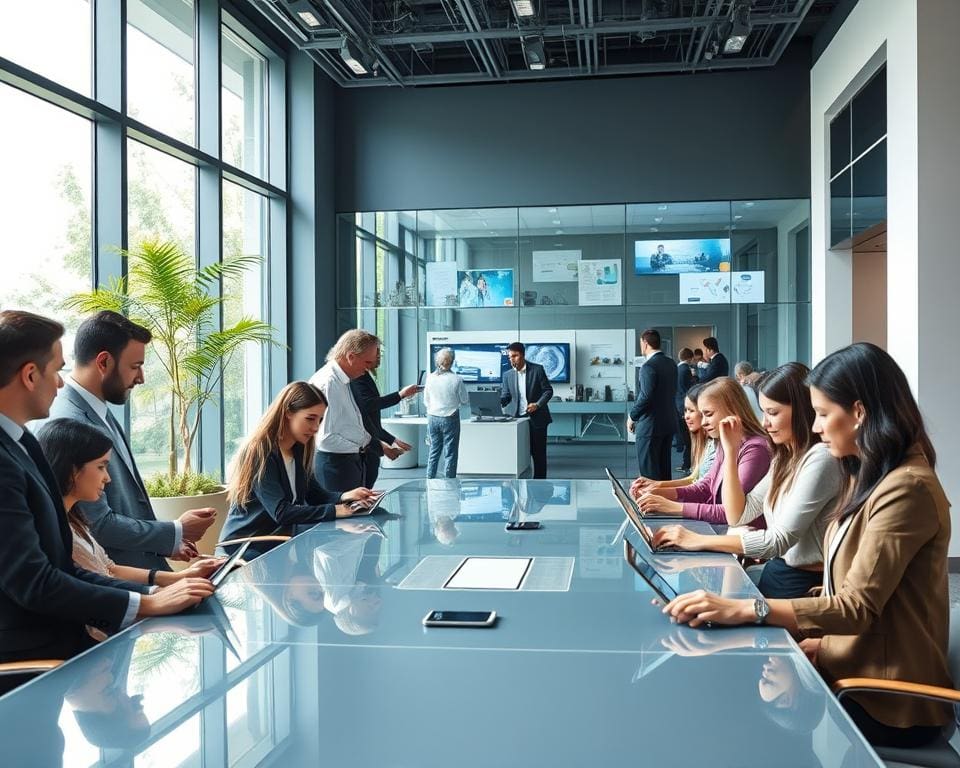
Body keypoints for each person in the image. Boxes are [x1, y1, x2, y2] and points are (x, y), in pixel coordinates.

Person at [660, 343, 953, 750]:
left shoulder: (906, 488)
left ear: (860, 413)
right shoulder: (874, 476)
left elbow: (857, 607)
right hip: (854, 667)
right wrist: (820, 640)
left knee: (735, 716)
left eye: (823, 414)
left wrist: (747, 608)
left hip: (884, 700)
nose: (816, 427)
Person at [0, 310, 213, 680]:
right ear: (30, 375)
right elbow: (34, 581)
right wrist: (147, 601)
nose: (61, 384)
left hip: (63, 640)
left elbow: (63, 568)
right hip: (36, 659)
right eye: (56, 371)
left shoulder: (24, 443)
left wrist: (155, 594)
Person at [652, 363, 844, 598]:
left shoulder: (819, 458)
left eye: (773, 413)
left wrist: (696, 540)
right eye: (764, 413)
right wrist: (731, 452)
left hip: (801, 582)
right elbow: (739, 514)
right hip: (780, 570)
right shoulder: (787, 457)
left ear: (802, 410)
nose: (765, 423)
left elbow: (777, 541)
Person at [45, 310, 215, 570]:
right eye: (135, 367)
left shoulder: (97, 410)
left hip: (141, 578)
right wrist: (177, 530)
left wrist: (169, 543)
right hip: (119, 589)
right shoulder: (71, 422)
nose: (141, 378)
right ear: (103, 362)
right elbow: (95, 523)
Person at [35, 419, 224, 639]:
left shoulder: (74, 520)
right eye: (101, 467)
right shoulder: (54, 530)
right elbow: (87, 586)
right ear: (72, 470)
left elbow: (110, 569)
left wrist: (179, 578)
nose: (108, 478)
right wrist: (155, 597)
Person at [220, 381, 376, 556]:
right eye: (310, 418)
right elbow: (281, 512)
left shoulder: (298, 447)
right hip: (249, 543)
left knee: (349, 538)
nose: (316, 428)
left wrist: (345, 496)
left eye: (320, 420)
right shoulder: (261, 452)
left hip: (278, 536)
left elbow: (314, 495)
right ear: (288, 412)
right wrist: (336, 510)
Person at [637, 377, 770, 524]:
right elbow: (706, 487)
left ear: (732, 409)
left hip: (739, 537)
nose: (704, 422)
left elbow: (730, 513)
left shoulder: (756, 449)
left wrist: (672, 506)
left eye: (709, 414)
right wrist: (658, 493)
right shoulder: (726, 441)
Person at [309, 329, 380, 491]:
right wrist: (362, 446)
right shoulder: (329, 383)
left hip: (345, 464)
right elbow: (326, 438)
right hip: (336, 467)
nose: (368, 369)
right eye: (367, 363)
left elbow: (348, 424)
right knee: (344, 514)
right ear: (350, 357)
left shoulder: (342, 380)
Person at [349, 343, 418, 488]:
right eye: (376, 355)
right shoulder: (357, 377)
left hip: (371, 442)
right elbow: (369, 405)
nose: (379, 358)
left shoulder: (364, 375)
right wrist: (401, 395)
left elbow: (370, 418)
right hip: (365, 445)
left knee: (368, 482)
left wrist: (392, 439)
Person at [631, 383, 716, 498]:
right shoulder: (708, 443)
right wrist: (655, 485)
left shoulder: (716, 446)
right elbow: (693, 480)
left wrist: (658, 492)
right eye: (685, 411)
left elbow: (703, 490)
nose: (686, 416)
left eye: (691, 411)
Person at [627, 329, 677, 481]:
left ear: (645, 343)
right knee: (664, 472)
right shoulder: (671, 363)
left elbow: (646, 396)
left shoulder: (648, 366)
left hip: (650, 426)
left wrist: (632, 416)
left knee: (649, 473)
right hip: (668, 423)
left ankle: (652, 505)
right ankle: (664, 504)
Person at [500, 341, 553, 479]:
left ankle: (540, 484)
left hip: (538, 418)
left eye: (515, 356)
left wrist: (538, 404)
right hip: (518, 420)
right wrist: (495, 401)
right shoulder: (507, 375)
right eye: (510, 357)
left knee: (538, 454)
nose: (512, 359)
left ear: (523, 355)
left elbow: (548, 391)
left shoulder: (538, 370)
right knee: (520, 453)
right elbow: (506, 396)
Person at [424, 347, 468, 478]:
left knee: (434, 451)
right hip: (450, 418)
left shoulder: (430, 378)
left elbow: (426, 401)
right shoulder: (457, 379)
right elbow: (464, 400)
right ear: (452, 362)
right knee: (451, 453)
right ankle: (449, 482)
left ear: (438, 361)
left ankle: (429, 479)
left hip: (433, 418)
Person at [674, 347, 697, 472]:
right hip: (684, 406)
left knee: (685, 437)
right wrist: (695, 378)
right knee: (689, 438)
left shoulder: (677, 369)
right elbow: (689, 390)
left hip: (677, 405)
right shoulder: (685, 370)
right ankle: (688, 465)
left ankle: (686, 464)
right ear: (690, 358)